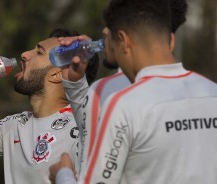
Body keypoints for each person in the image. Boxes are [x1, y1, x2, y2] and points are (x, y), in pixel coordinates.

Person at [50, 0, 217, 183]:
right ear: (171, 39)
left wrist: (62, 174)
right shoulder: (212, 91)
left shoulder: (123, 104)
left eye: (111, 40)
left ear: (123, 40)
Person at [0, 28, 99, 184]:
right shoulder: (13, 125)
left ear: (56, 74)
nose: (25, 54)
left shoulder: (81, 127)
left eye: (39, 52)